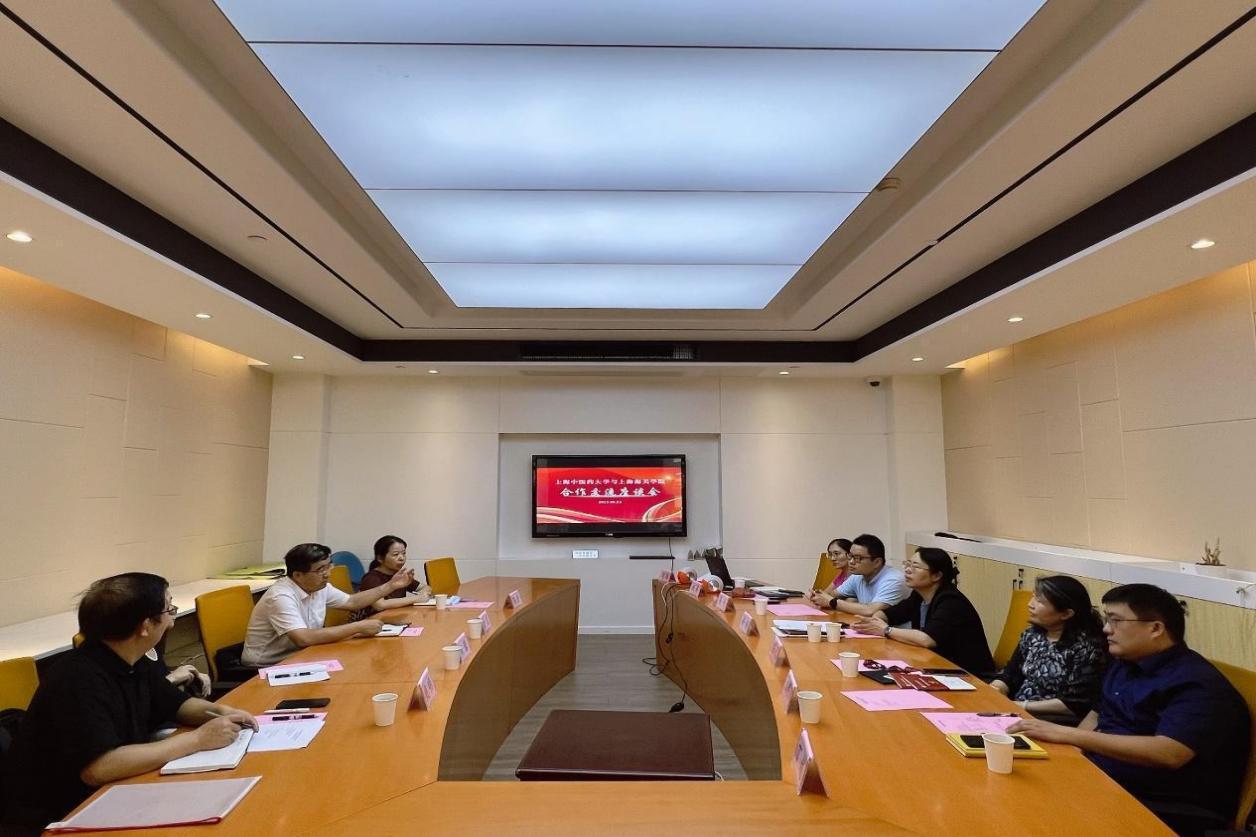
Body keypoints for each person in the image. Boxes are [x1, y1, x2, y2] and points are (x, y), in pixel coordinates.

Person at [0, 573, 258, 832]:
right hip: (58, 814)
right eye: (168, 608)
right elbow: (100, 768)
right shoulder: (76, 678)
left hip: (111, 794)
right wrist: (198, 739)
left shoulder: (133, 658)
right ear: (145, 626)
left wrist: (220, 711)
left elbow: (176, 704)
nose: (172, 618)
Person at [1009, 584, 1249, 836]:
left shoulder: (1196, 683)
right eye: (1106, 619)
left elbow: (1169, 753)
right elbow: (1097, 714)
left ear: (1155, 628)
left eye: (1116, 621)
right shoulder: (1125, 663)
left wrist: (1068, 735)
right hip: (1101, 778)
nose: (1106, 629)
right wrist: (1072, 756)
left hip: (1159, 804)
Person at [241, 542, 418, 667]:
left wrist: (390, 586)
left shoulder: (319, 586)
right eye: (320, 570)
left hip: (303, 654)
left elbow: (352, 601)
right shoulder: (281, 596)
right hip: (267, 665)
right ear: (298, 575)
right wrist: (357, 627)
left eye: (328, 566)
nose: (327, 574)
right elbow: (303, 638)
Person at [852, 547, 995, 675]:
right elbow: (889, 614)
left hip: (967, 675)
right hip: (934, 666)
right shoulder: (919, 595)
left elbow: (926, 640)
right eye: (908, 564)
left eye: (915, 567)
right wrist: (876, 620)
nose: (907, 570)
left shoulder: (951, 601)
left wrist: (886, 630)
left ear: (936, 576)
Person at [990, 575, 1108, 721]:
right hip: (1016, 711)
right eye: (1033, 597)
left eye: (1039, 601)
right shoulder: (1032, 634)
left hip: (1053, 721)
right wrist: (996, 689)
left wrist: (1020, 706)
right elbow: (1010, 673)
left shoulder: (1088, 647)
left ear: (1066, 614)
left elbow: (1076, 704)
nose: (1030, 604)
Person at [823, 534, 908, 617]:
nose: (851, 561)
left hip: (891, 626)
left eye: (857, 558)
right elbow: (830, 595)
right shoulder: (857, 576)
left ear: (877, 562)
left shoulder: (893, 580)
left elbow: (871, 611)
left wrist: (833, 602)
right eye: (850, 556)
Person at [351, 535, 432, 621]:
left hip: (393, 619)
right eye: (395, 554)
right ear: (380, 558)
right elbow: (380, 605)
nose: (401, 558)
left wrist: (423, 594)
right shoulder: (371, 578)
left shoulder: (399, 575)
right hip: (370, 622)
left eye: (404, 553)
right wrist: (417, 598)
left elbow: (425, 587)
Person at [806, 538, 852, 609]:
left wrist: (825, 598)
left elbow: (850, 602)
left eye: (837, 554)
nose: (832, 558)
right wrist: (815, 595)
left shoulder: (856, 577)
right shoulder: (841, 575)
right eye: (830, 554)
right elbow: (826, 594)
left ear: (849, 555)